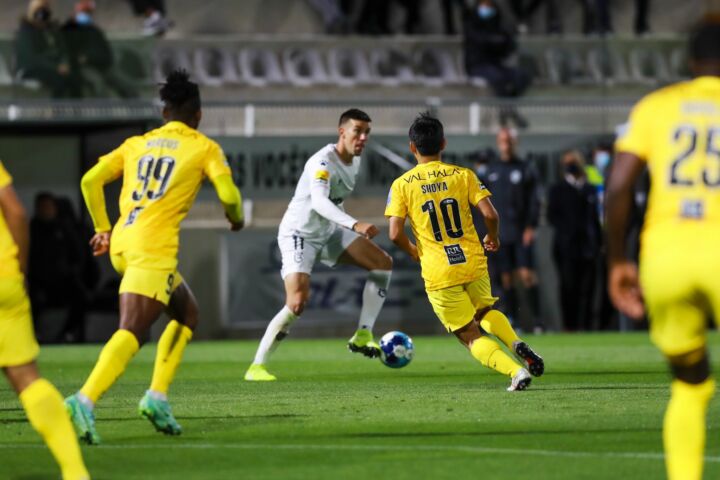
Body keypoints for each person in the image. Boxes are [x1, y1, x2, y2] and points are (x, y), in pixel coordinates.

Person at [64, 69, 244, 445]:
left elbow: (90, 180)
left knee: (187, 313)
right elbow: (228, 194)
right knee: (133, 330)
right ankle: (84, 400)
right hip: (153, 249)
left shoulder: (136, 144)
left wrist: (101, 226)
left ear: (164, 113)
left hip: (123, 243)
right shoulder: (203, 147)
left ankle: (157, 397)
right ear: (198, 115)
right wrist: (236, 217)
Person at [606, 21, 720, 480]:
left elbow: (617, 189)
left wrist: (617, 259)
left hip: (666, 257)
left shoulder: (657, 107)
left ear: (690, 62)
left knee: (690, 386)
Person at [385, 112, 544, 391]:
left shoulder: (402, 185)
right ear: (443, 143)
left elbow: (395, 233)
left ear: (412, 147)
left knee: (469, 335)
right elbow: (491, 214)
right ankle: (515, 341)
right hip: (471, 260)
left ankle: (516, 372)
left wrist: (413, 251)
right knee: (486, 311)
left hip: (438, 271)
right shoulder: (464, 175)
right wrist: (492, 237)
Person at [244, 109, 393, 382]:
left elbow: (334, 201)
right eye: (357, 131)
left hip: (328, 232)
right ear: (342, 132)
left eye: (367, 133)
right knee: (297, 303)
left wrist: (344, 225)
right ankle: (257, 366)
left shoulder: (354, 161)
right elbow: (320, 202)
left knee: (383, 263)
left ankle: (363, 335)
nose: (362, 138)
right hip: (299, 234)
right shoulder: (322, 162)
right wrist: (354, 224)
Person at [0, 161, 90, 479]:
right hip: (5, 279)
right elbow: (16, 212)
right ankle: (74, 470)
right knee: (27, 379)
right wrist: (19, 269)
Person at [482, 127, 543, 333]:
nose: (506, 144)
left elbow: (535, 201)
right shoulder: (491, 170)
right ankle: (513, 321)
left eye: (509, 140)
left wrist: (530, 227)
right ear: (498, 143)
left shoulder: (525, 168)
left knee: (526, 275)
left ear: (515, 143)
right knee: (505, 278)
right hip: (500, 233)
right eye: (503, 140)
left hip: (520, 232)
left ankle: (537, 321)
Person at [547, 150, 601, 331]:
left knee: (587, 289)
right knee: (568, 287)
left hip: (587, 247)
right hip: (566, 248)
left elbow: (595, 219)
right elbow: (551, 217)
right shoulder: (558, 189)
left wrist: (599, 243)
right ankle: (569, 326)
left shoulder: (590, 189)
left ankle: (585, 326)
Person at [28, 192, 88, 343]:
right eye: (42, 207)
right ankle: (34, 335)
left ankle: (68, 334)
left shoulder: (65, 228)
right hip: (38, 281)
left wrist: (72, 271)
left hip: (63, 279)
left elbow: (78, 255)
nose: (46, 210)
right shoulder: (31, 229)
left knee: (81, 296)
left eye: (49, 206)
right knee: (30, 298)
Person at [463, 0, 531, 128]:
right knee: (498, 78)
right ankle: (508, 111)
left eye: (489, 6)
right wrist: (496, 41)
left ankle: (507, 108)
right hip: (477, 66)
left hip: (496, 65)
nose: (487, 9)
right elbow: (481, 42)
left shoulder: (498, 25)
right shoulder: (472, 24)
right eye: (484, 6)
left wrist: (502, 42)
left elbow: (508, 45)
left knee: (522, 76)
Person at [62, 0, 138, 98]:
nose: (86, 15)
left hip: (103, 66)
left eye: (88, 12)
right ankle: (103, 112)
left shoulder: (95, 30)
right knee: (98, 83)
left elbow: (105, 51)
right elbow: (68, 51)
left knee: (126, 85)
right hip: (84, 67)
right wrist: (79, 59)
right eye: (84, 12)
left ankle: (137, 110)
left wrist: (100, 59)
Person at [15, 0, 83, 98]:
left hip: (54, 67)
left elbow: (63, 50)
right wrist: (55, 67)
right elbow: (32, 57)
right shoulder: (27, 30)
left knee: (75, 79)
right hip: (31, 68)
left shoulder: (52, 30)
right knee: (59, 81)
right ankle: (56, 111)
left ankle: (75, 111)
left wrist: (65, 63)